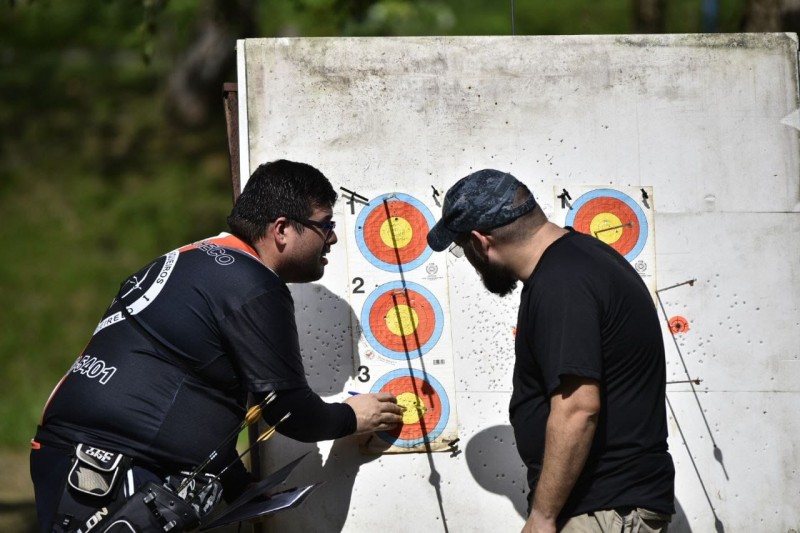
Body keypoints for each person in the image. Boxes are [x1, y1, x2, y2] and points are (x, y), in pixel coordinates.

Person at [30, 159, 404, 532]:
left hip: (87, 458)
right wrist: (354, 417)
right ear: (283, 229)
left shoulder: (201, 259)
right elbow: (289, 411)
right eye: (326, 226)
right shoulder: (253, 284)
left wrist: (238, 486)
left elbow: (192, 393)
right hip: (109, 468)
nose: (332, 238)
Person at [426, 169, 675, 533]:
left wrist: (542, 516)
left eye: (462, 248)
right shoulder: (582, 260)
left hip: (603, 509)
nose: (468, 259)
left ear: (480, 242)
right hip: (609, 505)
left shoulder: (561, 283)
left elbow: (578, 407)